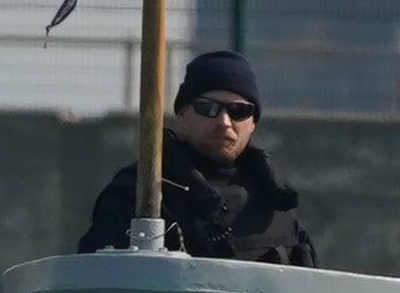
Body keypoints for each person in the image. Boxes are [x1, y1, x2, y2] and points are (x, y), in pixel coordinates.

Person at [76, 50, 317, 263]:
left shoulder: (276, 199)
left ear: (253, 122)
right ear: (182, 112)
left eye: (239, 111)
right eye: (207, 108)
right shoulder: (139, 191)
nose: (223, 122)